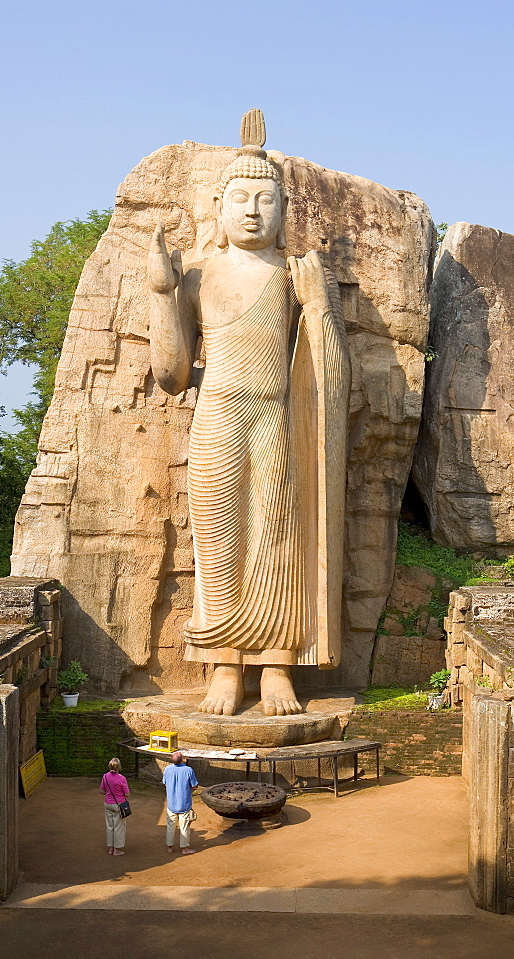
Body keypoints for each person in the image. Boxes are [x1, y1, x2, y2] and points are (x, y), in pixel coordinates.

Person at [148, 109, 350, 718]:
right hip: (216, 417)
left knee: (277, 538)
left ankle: (277, 670)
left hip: (274, 419)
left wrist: (317, 307)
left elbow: (330, 369)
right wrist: (162, 292)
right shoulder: (198, 274)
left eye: (267, 199)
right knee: (217, 541)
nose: (254, 211)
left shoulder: (296, 275)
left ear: (286, 209)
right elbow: (172, 374)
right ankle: (225, 666)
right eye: (242, 198)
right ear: (218, 204)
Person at [163, 751, 199, 855]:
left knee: (170, 826)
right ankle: (184, 848)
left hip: (171, 804)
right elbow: (194, 785)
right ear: (182, 759)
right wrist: (189, 791)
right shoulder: (188, 770)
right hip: (184, 804)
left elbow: (165, 783)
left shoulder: (167, 769)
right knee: (184, 827)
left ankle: (170, 847)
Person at [100, 757, 130, 856]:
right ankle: (117, 849)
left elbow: (102, 791)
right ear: (119, 767)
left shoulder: (105, 777)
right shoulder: (122, 778)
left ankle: (110, 848)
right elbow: (127, 794)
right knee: (119, 827)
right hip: (119, 805)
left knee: (110, 826)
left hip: (108, 804)